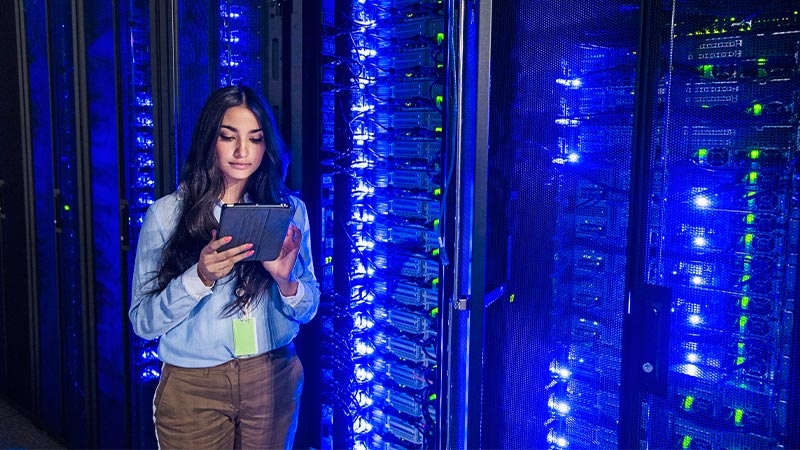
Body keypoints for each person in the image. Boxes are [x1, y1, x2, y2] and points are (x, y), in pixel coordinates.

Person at [129, 85, 320, 449]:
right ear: (208, 140)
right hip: (194, 386)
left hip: (272, 375)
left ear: (267, 146)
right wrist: (199, 277)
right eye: (228, 137)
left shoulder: (290, 211)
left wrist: (286, 281)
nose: (242, 152)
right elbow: (144, 322)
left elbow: (309, 309)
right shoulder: (167, 215)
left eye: (255, 138)